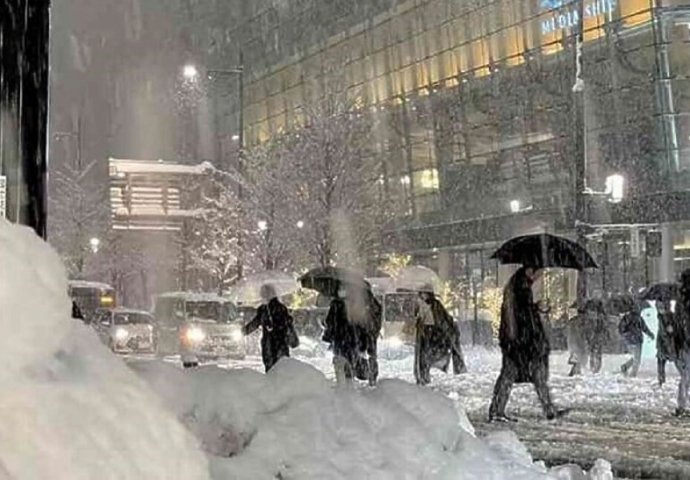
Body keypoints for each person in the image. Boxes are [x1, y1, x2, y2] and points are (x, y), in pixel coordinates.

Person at [489, 266, 564, 422]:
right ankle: (497, 411)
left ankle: (548, 409)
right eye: (539, 272)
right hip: (520, 343)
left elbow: (521, 312)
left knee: (533, 375)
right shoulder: (519, 287)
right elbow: (517, 315)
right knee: (513, 375)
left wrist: (535, 308)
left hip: (521, 342)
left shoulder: (519, 286)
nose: (540, 276)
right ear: (530, 270)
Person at [413, 285, 466, 385]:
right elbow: (418, 319)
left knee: (430, 355)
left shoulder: (436, 305)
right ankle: (423, 376)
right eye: (422, 294)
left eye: (424, 294)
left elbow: (441, 318)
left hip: (434, 332)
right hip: (425, 332)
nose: (423, 296)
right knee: (423, 357)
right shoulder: (419, 305)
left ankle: (426, 374)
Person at [243, 284, 295, 372]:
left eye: (262, 294)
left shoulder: (264, 309)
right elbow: (287, 323)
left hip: (270, 344)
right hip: (281, 343)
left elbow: (255, 323)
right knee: (283, 368)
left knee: (270, 369)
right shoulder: (282, 308)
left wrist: (244, 331)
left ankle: (273, 384)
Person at [322, 287, 361, 386]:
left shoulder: (335, 305)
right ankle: (349, 383)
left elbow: (330, 322)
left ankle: (342, 386)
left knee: (339, 365)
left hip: (339, 340)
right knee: (350, 364)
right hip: (352, 340)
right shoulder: (355, 304)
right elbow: (360, 323)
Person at [618, 298, 654, 378]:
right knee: (637, 359)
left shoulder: (628, 317)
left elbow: (622, 329)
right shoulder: (636, 318)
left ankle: (625, 367)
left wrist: (625, 335)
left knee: (635, 357)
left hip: (631, 339)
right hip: (636, 339)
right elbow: (644, 328)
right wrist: (650, 334)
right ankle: (632, 374)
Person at [672, 270, 690, 416]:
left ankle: (682, 404)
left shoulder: (680, 300)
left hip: (682, 343)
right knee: (686, 375)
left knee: (685, 375)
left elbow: (678, 323)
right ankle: (682, 404)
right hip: (685, 342)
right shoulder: (684, 301)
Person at [582, 299, 609, 374]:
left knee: (593, 351)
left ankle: (594, 366)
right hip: (596, 335)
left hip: (594, 335)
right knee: (596, 351)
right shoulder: (600, 317)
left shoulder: (590, 318)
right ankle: (595, 367)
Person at [656, 298, 678, 387]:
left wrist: (671, 330)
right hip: (665, 342)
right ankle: (661, 379)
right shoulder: (662, 316)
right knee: (662, 360)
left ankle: (661, 379)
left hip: (668, 341)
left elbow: (672, 328)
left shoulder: (666, 316)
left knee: (663, 360)